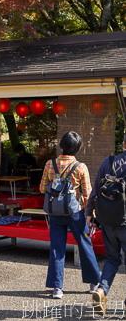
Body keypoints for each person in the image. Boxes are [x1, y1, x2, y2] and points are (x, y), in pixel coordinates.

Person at [39, 131, 100, 299]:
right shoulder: (80, 167)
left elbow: (43, 188)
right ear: (78, 148)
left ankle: (57, 288)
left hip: (56, 213)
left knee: (57, 248)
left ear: (61, 146)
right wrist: (91, 216)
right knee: (85, 246)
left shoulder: (50, 164)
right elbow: (88, 194)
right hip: (76, 213)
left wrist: (56, 186)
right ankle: (94, 283)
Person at [85, 133, 126, 317]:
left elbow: (94, 192)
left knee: (112, 259)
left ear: (123, 144)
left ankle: (101, 291)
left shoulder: (107, 162)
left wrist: (88, 214)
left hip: (108, 221)